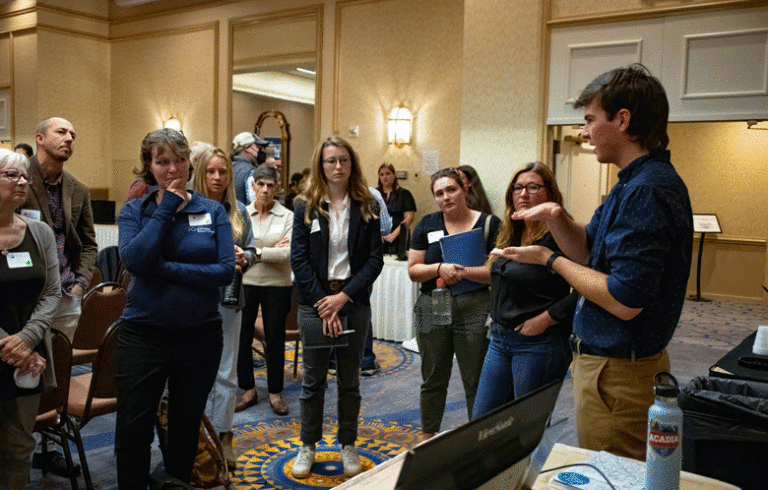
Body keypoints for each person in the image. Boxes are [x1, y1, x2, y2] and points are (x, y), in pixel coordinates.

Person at [503, 64, 693, 460]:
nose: (585, 132)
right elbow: (588, 253)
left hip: (620, 375)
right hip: (610, 367)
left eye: (590, 120)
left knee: (613, 475)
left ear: (622, 120)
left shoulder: (647, 190)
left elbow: (625, 300)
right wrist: (556, 219)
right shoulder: (631, 183)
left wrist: (548, 259)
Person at [115, 128, 235, 489]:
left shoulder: (212, 210)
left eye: (179, 160)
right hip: (143, 335)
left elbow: (224, 271)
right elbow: (135, 259)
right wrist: (166, 206)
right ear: (149, 166)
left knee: (185, 430)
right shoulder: (135, 211)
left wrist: (164, 269)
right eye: (162, 162)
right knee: (133, 433)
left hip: (199, 335)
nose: (172, 169)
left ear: (190, 162)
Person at [290, 136, 383, 479]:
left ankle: (348, 443)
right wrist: (323, 304)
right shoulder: (305, 205)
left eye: (343, 160)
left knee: (349, 380)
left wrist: (343, 299)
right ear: (321, 165)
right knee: (313, 381)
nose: (337, 166)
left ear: (352, 163)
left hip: (353, 301)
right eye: (330, 161)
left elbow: (374, 261)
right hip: (315, 302)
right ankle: (308, 444)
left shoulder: (367, 203)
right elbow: (298, 260)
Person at [20, 117, 96, 476]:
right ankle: (20, 450)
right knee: (24, 374)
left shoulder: (77, 189)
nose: (69, 138)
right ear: (40, 138)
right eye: (61, 132)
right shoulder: (18, 181)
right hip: (26, 299)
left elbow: (89, 242)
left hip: (67, 296)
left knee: (56, 377)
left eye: (73, 134)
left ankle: (47, 449)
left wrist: (81, 281)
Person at [472, 162, 576, 419]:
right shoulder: (509, 232)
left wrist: (547, 318)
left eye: (533, 187)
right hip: (499, 338)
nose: (523, 194)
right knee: (482, 422)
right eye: (518, 188)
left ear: (549, 193)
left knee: (526, 428)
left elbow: (588, 287)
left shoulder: (560, 233)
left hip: (538, 342)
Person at [407, 168, 500, 438]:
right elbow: (413, 270)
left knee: (475, 380)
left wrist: (461, 273)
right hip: (433, 304)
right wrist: (439, 268)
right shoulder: (427, 224)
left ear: (465, 189)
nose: (446, 197)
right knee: (433, 378)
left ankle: (479, 440)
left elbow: (495, 271)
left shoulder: (490, 224)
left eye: (451, 190)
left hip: (475, 306)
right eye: (439, 193)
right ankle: (428, 438)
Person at [0, 149, 60, 490]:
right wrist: (12, 344)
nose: (22, 181)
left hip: (27, 361)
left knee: (19, 449)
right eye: (12, 175)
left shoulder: (40, 232)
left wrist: (27, 339)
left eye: (25, 175)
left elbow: (52, 293)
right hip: (18, 353)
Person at [192, 146, 256, 469]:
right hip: (195, 301)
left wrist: (246, 256)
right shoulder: (187, 208)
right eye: (211, 171)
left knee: (227, 372)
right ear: (200, 173)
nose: (217, 177)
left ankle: (224, 434)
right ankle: (197, 437)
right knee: (195, 371)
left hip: (231, 298)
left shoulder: (240, 211)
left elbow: (254, 249)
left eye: (223, 172)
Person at [235, 165, 293, 416]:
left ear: (277, 189)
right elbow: (235, 249)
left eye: (271, 185)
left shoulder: (287, 216)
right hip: (246, 282)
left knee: (275, 340)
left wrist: (254, 252)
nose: (266, 190)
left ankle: (275, 393)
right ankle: (248, 390)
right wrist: (270, 250)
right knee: (242, 338)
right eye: (261, 184)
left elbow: (287, 253)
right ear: (253, 186)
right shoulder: (242, 214)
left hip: (277, 285)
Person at [377, 163, 416, 254]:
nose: (385, 177)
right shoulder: (374, 194)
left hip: (399, 238)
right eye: (382, 175)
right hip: (378, 239)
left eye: (388, 173)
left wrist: (393, 234)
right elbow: (369, 217)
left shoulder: (405, 194)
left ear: (394, 175)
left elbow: (409, 218)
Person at [230, 132, 268, 205]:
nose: (259, 151)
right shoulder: (250, 171)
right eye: (258, 147)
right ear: (247, 148)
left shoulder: (225, 167)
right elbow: (254, 204)